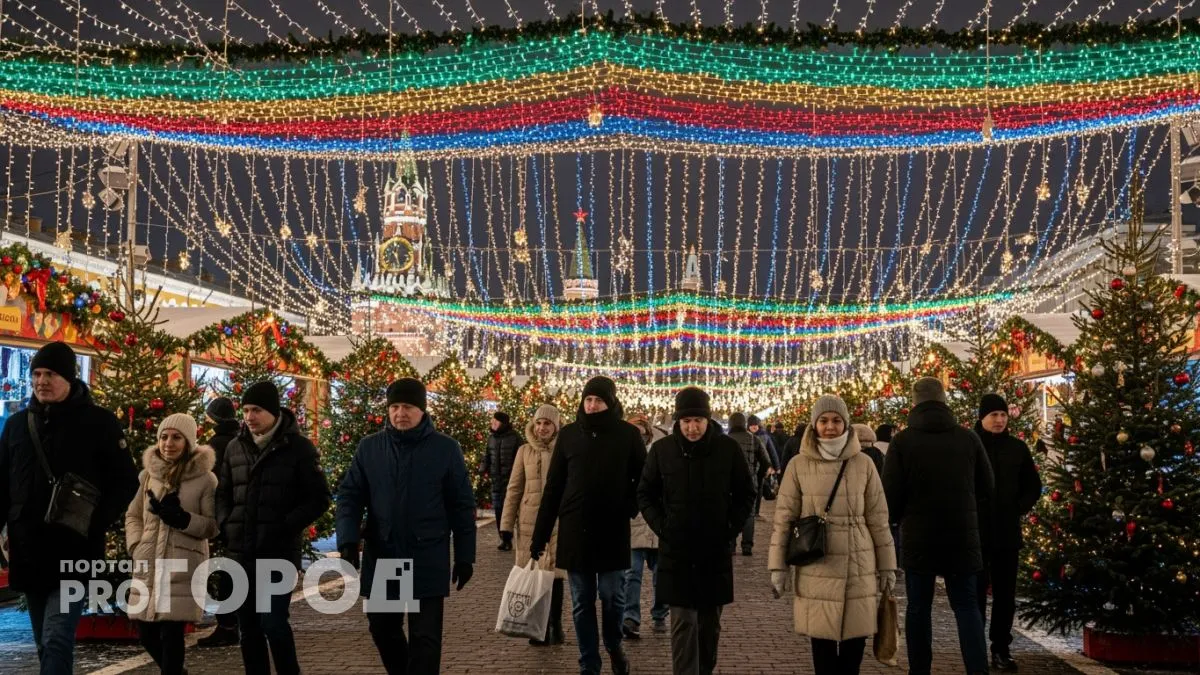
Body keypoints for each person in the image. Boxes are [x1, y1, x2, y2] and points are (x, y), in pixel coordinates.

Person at [0, 341, 138, 675]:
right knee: (44, 640)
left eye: (50, 374)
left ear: (69, 378)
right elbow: (2, 482)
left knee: (58, 636)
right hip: (28, 549)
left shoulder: (99, 423)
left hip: (73, 549)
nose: (41, 381)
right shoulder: (18, 425)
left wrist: (96, 522)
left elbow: (126, 481)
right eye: (36, 374)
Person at [337, 378, 476, 674]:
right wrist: (348, 539)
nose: (401, 413)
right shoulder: (370, 448)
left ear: (422, 410)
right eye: (395, 406)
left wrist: (465, 556)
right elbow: (350, 495)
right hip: (385, 552)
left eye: (408, 407)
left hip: (426, 553)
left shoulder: (445, 449)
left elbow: (461, 506)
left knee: (425, 637)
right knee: (381, 626)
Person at [768, 395, 896, 675]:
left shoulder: (863, 464)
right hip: (817, 560)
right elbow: (784, 519)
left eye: (836, 420)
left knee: (855, 641)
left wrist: (887, 565)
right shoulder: (798, 465)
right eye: (823, 420)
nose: (830, 426)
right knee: (822, 642)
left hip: (858, 563)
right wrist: (778, 566)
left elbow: (878, 519)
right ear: (814, 425)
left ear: (846, 424)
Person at [531, 376, 646, 675]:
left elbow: (643, 480)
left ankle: (613, 643)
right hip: (575, 530)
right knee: (581, 602)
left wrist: (629, 507)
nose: (592, 405)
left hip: (612, 530)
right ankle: (589, 662)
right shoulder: (569, 435)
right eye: (588, 400)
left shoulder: (627, 435)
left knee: (612, 595)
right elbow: (554, 487)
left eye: (598, 400)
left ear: (610, 402)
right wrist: (540, 536)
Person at [638, 387, 756, 675]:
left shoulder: (727, 449)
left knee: (708, 625)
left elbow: (745, 493)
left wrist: (729, 529)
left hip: (713, 551)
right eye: (686, 421)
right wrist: (663, 526)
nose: (692, 428)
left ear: (707, 420)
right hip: (676, 550)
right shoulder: (663, 451)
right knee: (683, 623)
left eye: (698, 421)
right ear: (678, 421)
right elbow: (645, 493)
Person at [216, 380, 330, 675]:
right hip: (240, 553)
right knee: (248, 628)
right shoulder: (234, 447)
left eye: (256, 410)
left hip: (277, 553)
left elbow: (318, 498)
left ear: (274, 411)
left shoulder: (298, 448)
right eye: (246, 410)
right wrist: (226, 523)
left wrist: (285, 526)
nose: (250, 417)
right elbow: (223, 493)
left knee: (274, 623)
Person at [883, 377, 994, 675]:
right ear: (945, 400)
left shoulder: (903, 441)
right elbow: (988, 485)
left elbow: (890, 494)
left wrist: (900, 517)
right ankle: (977, 669)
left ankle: (920, 670)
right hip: (962, 535)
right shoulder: (968, 438)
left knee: (919, 608)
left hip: (919, 536)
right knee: (967, 606)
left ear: (914, 402)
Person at [126, 413, 219, 675]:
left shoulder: (205, 479)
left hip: (183, 564)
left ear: (188, 442)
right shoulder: (148, 476)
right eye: (164, 437)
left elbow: (212, 526)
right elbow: (133, 514)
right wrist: (136, 545)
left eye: (177, 438)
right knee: (145, 631)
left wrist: (183, 519)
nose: (169, 443)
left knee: (172, 634)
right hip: (148, 563)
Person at [974, 394, 1042, 672]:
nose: (999, 420)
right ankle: (974, 646)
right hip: (976, 534)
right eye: (994, 415)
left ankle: (1001, 648)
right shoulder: (971, 446)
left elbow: (1032, 485)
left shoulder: (1017, 448)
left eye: (1003, 415)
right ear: (982, 418)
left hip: (1006, 533)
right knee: (974, 594)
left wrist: (1018, 508)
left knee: (1005, 595)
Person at [499, 404, 566, 646]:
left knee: (556, 575)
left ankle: (554, 623)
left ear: (556, 426)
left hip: (558, 521)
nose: (542, 428)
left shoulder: (564, 450)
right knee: (535, 572)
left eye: (547, 423)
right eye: (538, 423)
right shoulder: (524, 451)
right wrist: (506, 524)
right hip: (529, 520)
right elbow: (514, 488)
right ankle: (537, 626)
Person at [197, 396, 241, 648]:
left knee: (224, 571)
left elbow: (209, 485)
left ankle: (227, 625)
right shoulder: (240, 441)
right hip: (238, 516)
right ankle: (234, 623)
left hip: (221, 518)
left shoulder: (213, 447)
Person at [621, 413, 669, 638]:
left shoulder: (659, 453)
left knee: (661, 574)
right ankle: (630, 617)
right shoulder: (620, 453)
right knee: (632, 574)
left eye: (640, 433)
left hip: (657, 523)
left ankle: (660, 613)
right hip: (632, 523)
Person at [726, 413, 773, 556]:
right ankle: (747, 546)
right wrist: (760, 476)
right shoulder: (754, 440)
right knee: (749, 514)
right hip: (749, 482)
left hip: (728, 483)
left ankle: (731, 545)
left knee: (729, 512)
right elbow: (765, 461)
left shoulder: (725, 441)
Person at [482, 410, 522, 551]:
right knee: (498, 509)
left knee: (509, 510)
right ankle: (503, 538)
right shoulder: (491, 438)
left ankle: (508, 538)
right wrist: (483, 468)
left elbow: (520, 457)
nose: (492, 423)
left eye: (495, 421)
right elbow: (487, 455)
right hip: (496, 480)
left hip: (511, 480)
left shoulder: (515, 438)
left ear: (502, 423)